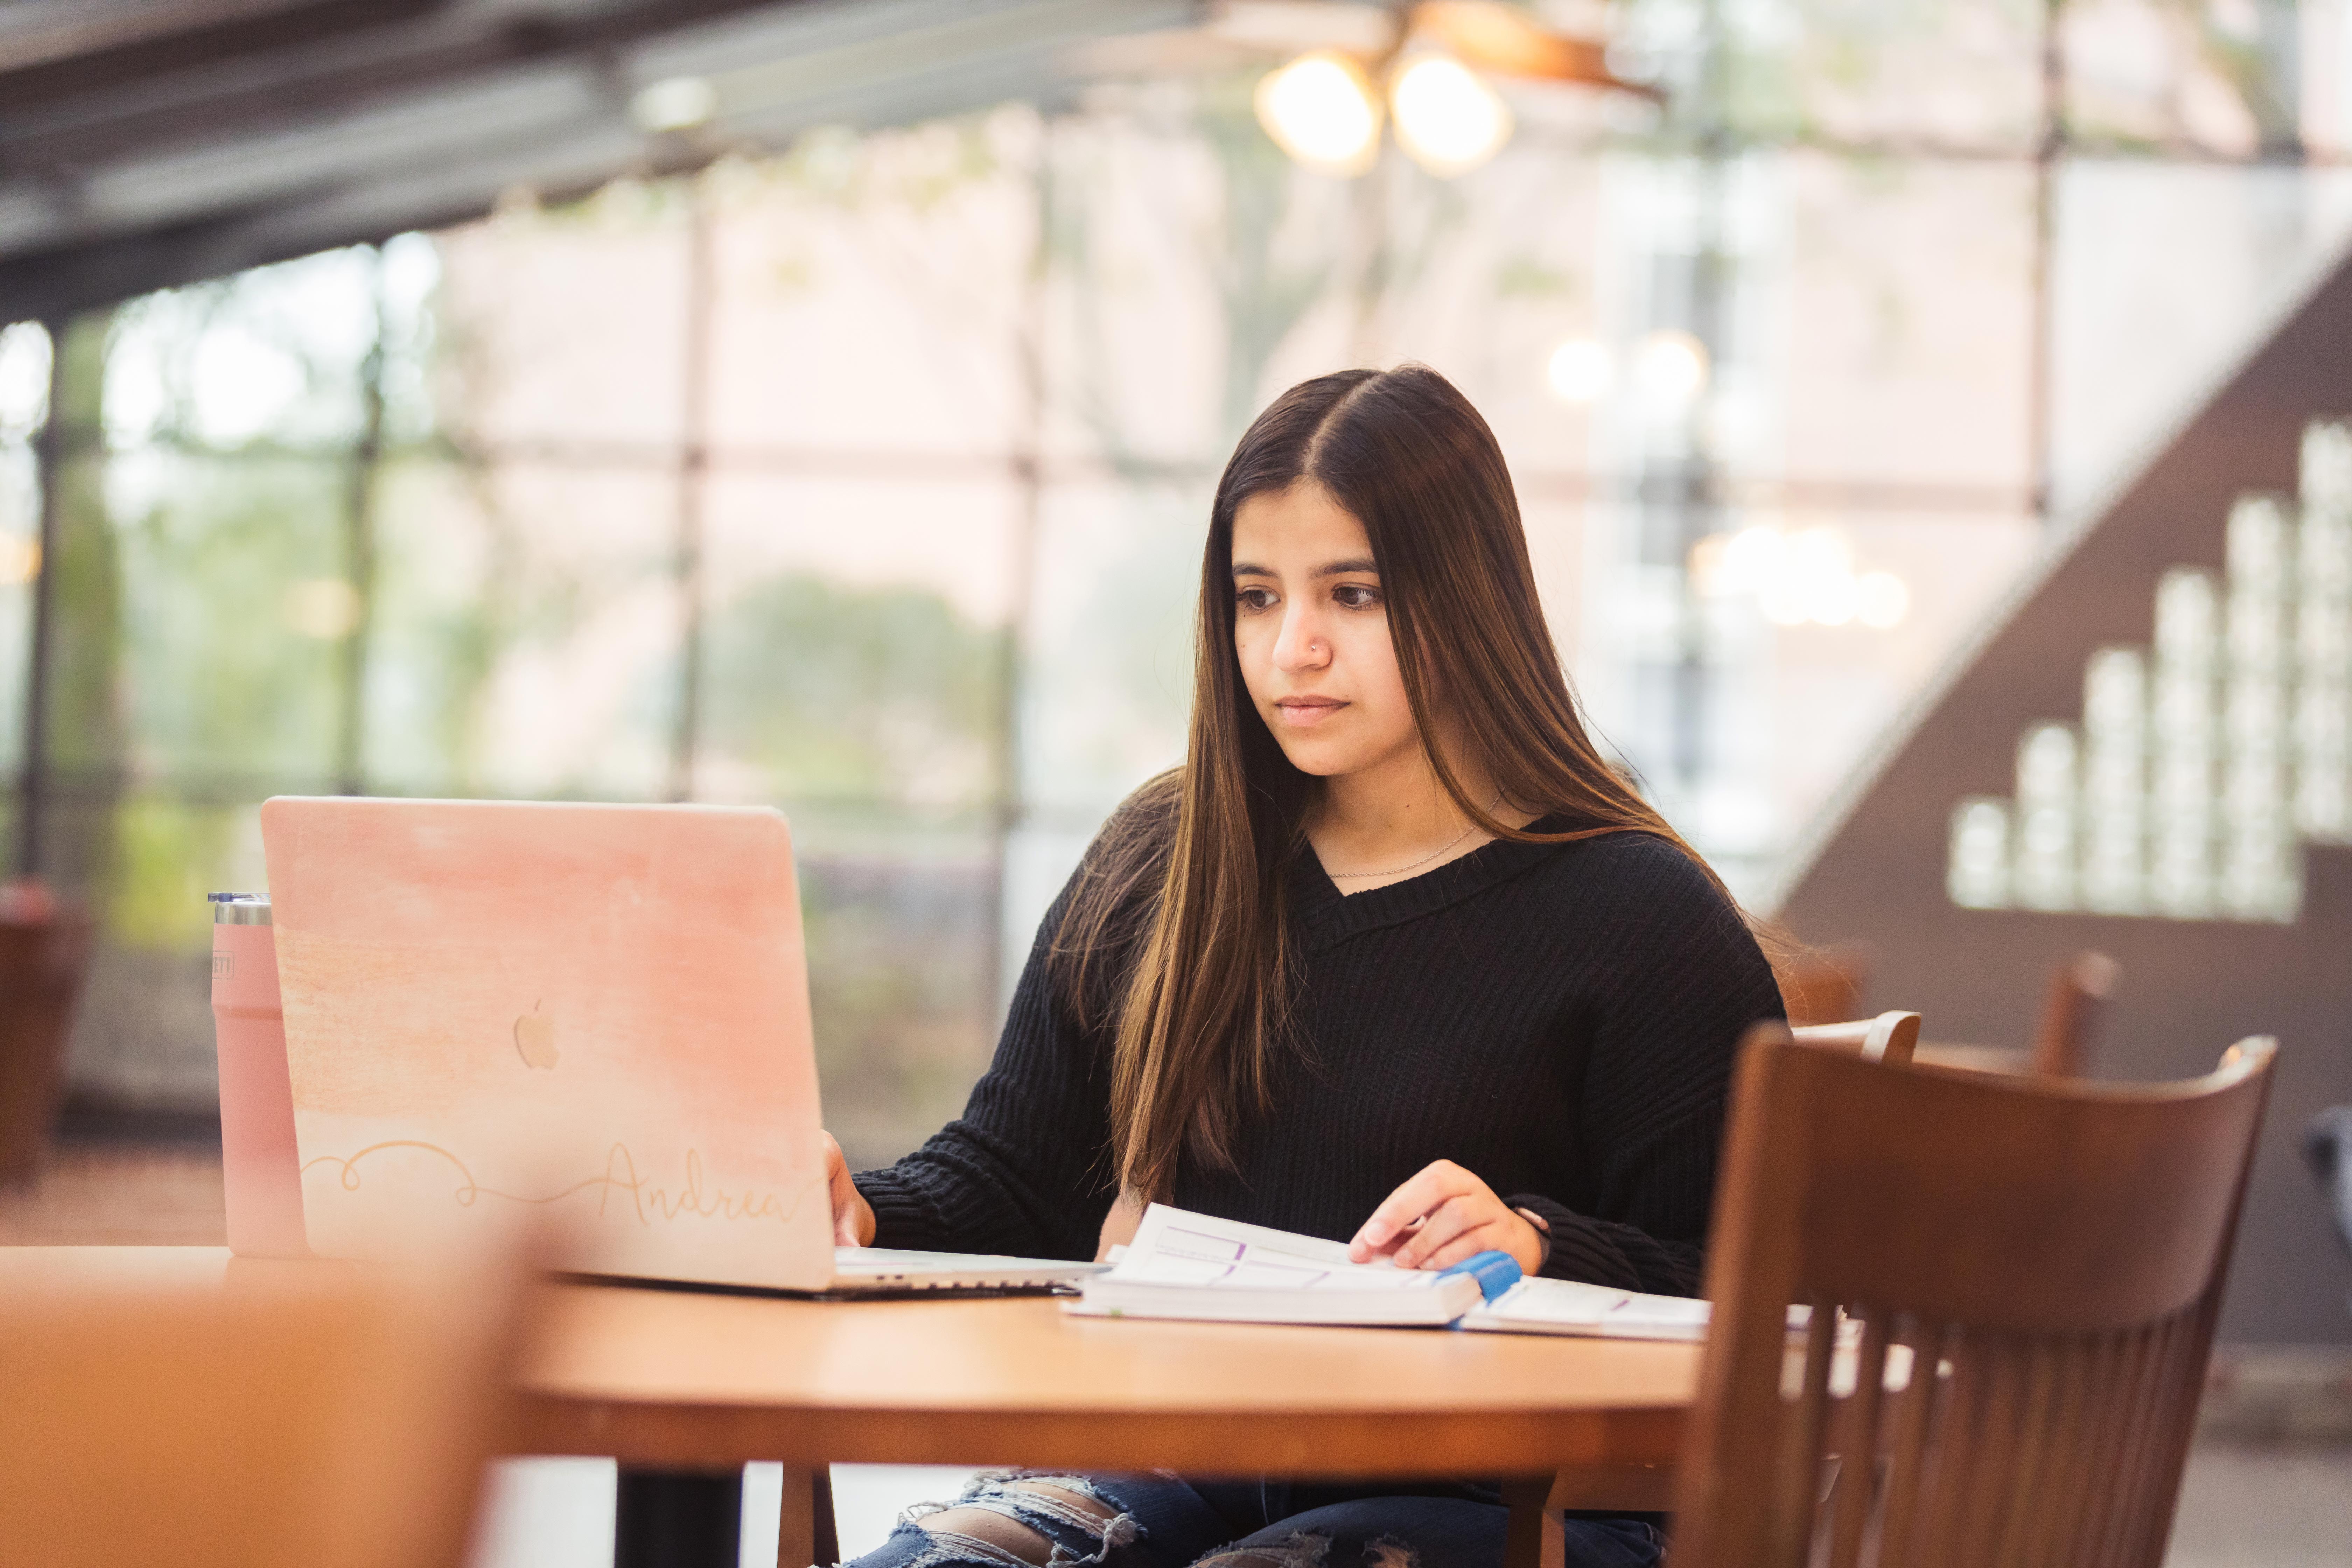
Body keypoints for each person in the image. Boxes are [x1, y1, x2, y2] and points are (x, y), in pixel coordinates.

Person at [820, 365, 1783, 1568]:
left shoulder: (1638, 912)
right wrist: (854, 1207)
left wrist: (1537, 1240)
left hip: (1517, 1502)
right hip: (1182, 1456)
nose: (1296, 648)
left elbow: (1756, 1288)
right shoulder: (1163, 861)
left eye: (1356, 594)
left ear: (1469, 601)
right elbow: (1020, 1180)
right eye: (1257, 597)